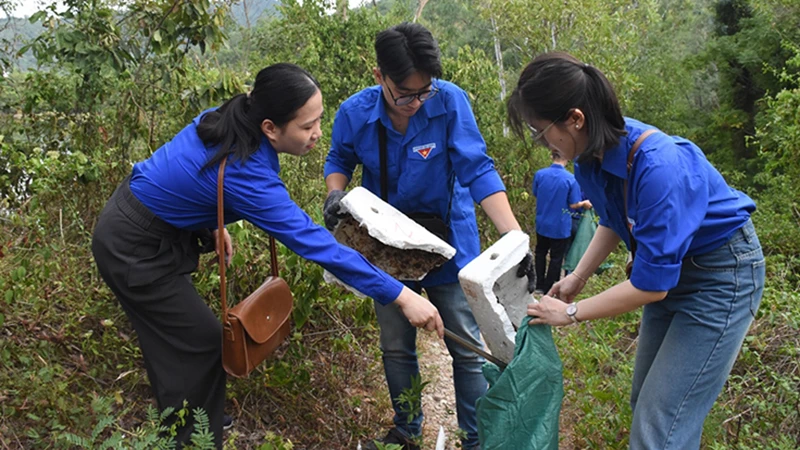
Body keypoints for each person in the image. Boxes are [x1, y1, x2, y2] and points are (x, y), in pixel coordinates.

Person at [91, 63, 445, 449]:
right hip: (133, 245)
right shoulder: (248, 171)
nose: (316, 135)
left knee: (175, 337)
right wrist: (400, 294)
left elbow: (185, 170)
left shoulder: (232, 118)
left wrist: (209, 222)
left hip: (148, 226)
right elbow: (317, 244)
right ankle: (190, 438)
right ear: (270, 128)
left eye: (318, 121)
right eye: (306, 126)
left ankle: (195, 416)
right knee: (200, 341)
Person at [507, 52, 765, 450]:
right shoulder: (589, 158)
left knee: (660, 423)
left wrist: (571, 313)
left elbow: (651, 287)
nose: (545, 144)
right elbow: (611, 219)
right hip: (669, 271)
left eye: (542, 133)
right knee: (646, 404)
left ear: (575, 119)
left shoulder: (656, 165)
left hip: (720, 277)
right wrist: (576, 279)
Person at [323, 23, 529, 450]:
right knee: (396, 346)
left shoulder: (450, 102)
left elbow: (478, 168)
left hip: (448, 243)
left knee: (467, 345)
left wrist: (513, 237)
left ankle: (475, 436)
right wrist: (335, 192)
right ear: (380, 76)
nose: (416, 102)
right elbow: (338, 158)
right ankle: (407, 428)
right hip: (386, 249)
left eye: (424, 92)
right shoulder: (355, 113)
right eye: (405, 94)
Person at [532, 152, 591, 294]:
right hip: (560, 225)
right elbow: (574, 204)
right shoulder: (570, 179)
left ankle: (538, 284)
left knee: (540, 252)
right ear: (567, 159)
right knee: (556, 258)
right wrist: (584, 203)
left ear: (552, 156)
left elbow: (536, 193)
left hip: (542, 222)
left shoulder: (540, 174)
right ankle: (548, 288)